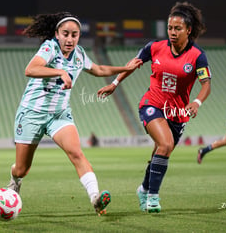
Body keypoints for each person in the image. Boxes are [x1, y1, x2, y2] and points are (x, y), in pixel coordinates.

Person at [7, 12, 142, 215]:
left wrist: (125, 67)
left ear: (79, 36)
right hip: (32, 113)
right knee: (22, 169)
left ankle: (95, 198)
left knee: (76, 153)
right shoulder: (49, 48)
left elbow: (99, 69)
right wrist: (61, 72)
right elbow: (31, 69)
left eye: (74, 35)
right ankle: (15, 180)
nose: (70, 39)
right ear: (57, 34)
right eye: (66, 34)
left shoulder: (79, 54)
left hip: (59, 115)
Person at [98, 2, 211, 213]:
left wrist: (196, 102)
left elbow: (206, 84)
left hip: (177, 113)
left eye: (178, 28)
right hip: (152, 105)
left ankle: (143, 189)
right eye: (170, 28)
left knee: (161, 152)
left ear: (188, 30)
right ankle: (153, 198)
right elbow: (132, 65)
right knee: (166, 144)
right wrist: (114, 84)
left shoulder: (197, 56)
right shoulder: (155, 47)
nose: (172, 32)